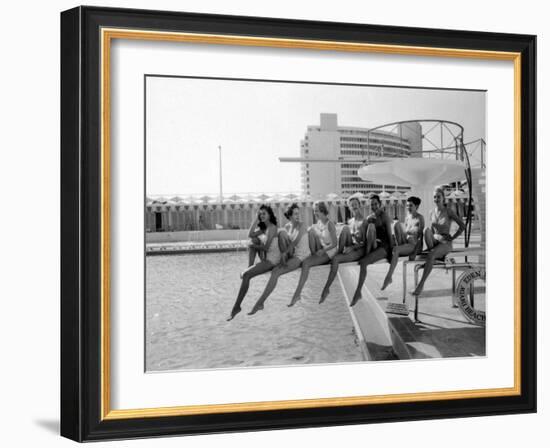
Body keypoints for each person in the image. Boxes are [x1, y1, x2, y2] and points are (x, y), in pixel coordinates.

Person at [248, 203, 310, 315]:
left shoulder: (302, 225)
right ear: (290, 216)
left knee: (276, 272)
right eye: (295, 214)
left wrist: (284, 253)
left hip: (301, 256)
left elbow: (295, 241)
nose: (298, 215)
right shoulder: (287, 227)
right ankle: (260, 303)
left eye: (298, 213)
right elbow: (287, 242)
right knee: (281, 234)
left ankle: (260, 303)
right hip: (292, 254)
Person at [227, 205, 280, 321]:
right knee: (253, 239)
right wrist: (256, 219)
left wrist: (253, 245)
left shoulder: (272, 228)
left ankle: (236, 307)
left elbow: (266, 248)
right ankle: (249, 268)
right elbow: (250, 234)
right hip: (266, 258)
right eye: (260, 214)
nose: (262, 215)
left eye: (264, 213)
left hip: (272, 260)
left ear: (269, 215)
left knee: (253, 245)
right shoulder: (264, 229)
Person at [412, 187, 466, 297]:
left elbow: (462, 226)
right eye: (434, 197)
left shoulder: (448, 211)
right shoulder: (431, 212)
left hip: (445, 242)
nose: (436, 199)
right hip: (435, 241)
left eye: (438, 197)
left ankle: (421, 284)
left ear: (443, 198)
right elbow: (431, 231)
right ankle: (433, 253)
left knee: (431, 255)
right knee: (426, 229)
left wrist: (453, 237)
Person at [319, 192, 366, 304]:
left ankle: (327, 288)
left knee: (335, 260)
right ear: (349, 207)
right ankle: (337, 253)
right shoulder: (351, 221)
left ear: (359, 205)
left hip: (359, 250)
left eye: (355, 204)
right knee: (345, 228)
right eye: (351, 205)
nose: (354, 206)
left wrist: (353, 248)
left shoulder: (364, 221)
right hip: (352, 245)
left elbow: (367, 242)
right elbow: (349, 235)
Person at [288, 201, 338, 307]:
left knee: (305, 263)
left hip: (329, 251)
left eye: (317, 211)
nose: (315, 213)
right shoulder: (319, 223)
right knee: (310, 231)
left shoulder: (330, 224)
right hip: (321, 248)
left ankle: (297, 294)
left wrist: (323, 251)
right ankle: (309, 255)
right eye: (314, 211)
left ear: (323, 211)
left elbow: (335, 244)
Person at [349, 194, 394, 306]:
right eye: (371, 205)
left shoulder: (385, 216)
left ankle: (358, 292)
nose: (373, 206)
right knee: (371, 227)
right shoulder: (369, 218)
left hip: (384, 246)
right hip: (375, 245)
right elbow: (367, 236)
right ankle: (367, 254)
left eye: (375, 204)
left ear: (380, 204)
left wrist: (391, 256)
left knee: (363, 262)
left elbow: (389, 235)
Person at [381, 196, 425, 290]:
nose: (408, 208)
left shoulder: (420, 218)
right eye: (407, 206)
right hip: (406, 243)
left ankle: (388, 277)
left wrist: (414, 253)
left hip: (414, 246)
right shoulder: (407, 218)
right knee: (396, 224)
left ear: (416, 206)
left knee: (396, 250)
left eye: (411, 206)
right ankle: (395, 248)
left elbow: (421, 237)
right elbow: (404, 233)